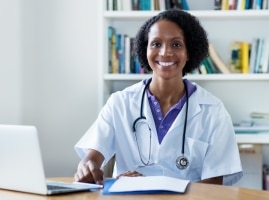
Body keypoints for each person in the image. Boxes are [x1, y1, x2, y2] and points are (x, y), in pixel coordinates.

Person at [74, 9, 243, 186]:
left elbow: (213, 186)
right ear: (144, 49)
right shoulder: (119, 103)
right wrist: (88, 167)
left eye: (176, 44)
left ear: (189, 52)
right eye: (156, 44)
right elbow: (91, 158)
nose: (165, 52)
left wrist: (152, 186)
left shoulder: (213, 111)